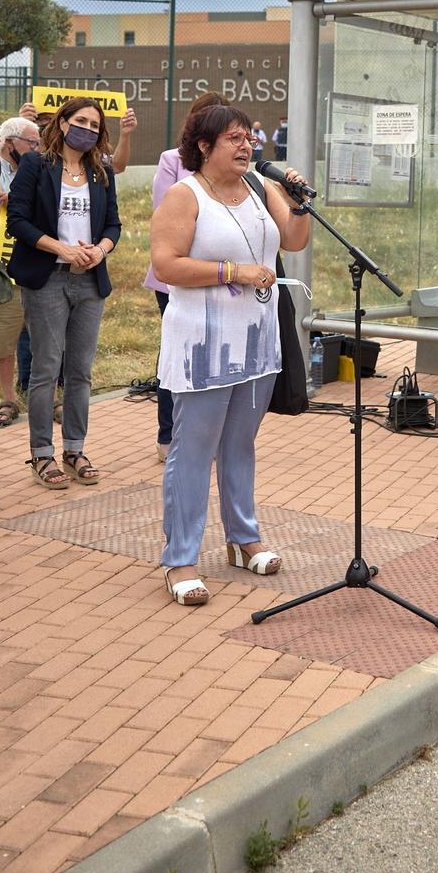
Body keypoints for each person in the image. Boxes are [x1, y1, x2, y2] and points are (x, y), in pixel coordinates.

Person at [149, 103, 313, 604]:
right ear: (204, 146)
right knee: (193, 449)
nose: (247, 146)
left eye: (249, 138)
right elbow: (166, 265)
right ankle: (180, 560)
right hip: (203, 341)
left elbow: (294, 239)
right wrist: (233, 272)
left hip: (257, 339)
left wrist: (300, 202)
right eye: (234, 139)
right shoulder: (185, 194)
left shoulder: (261, 190)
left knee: (241, 443)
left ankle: (244, 538)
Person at [7, 96, 122, 489]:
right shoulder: (36, 165)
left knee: (80, 371)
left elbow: (113, 225)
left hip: (90, 281)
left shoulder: (102, 171)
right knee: (45, 368)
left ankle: (75, 448)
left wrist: (99, 250)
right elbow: (18, 220)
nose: (87, 129)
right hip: (47, 278)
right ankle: (42, 454)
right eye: (81, 121)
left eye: (95, 125)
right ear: (61, 122)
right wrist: (61, 249)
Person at [147, 93, 223, 459]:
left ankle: (209, 435)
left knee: (215, 354)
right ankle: (168, 435)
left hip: (220, 279)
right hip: (176, 278)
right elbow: (165, 214)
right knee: (177, 353)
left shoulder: (235, 171)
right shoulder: (171, 161)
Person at [0, 113, 40, 428]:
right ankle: (8, 398)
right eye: (32, 142)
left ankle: (46, 396)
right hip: (4, 272)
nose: (37, 147)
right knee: (3, 340)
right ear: (10, 144)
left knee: (43, 339)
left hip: (35, 269)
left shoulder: (42, 170)